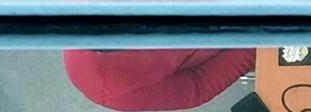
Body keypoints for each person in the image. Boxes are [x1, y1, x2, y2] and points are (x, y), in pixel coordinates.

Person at [63, 48, 253, 111]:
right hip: (235, 40)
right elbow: (199, 85)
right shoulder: (118, 90)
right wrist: (252, 44)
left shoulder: (86, 3)